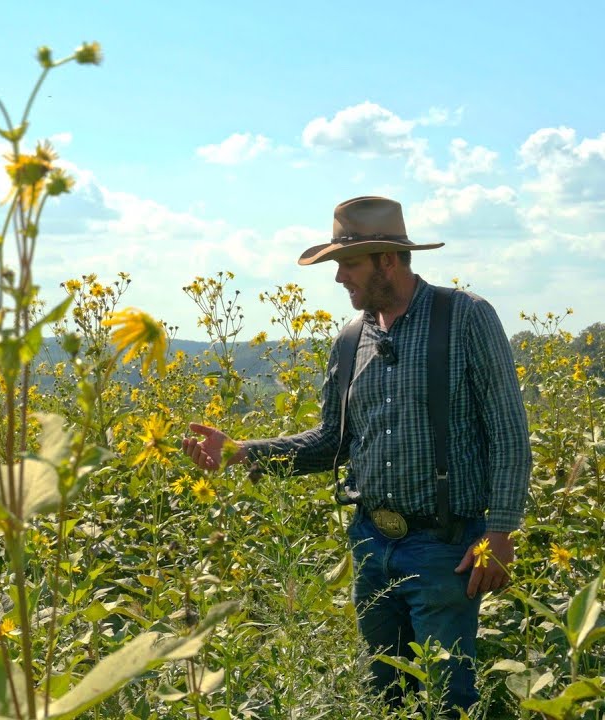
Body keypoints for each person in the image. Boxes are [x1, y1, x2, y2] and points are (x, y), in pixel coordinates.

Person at [181, 196, 531, 713]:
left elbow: (508, 430)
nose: (339, 277)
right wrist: (240, 452)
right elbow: (330, 443)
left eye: (348, 264)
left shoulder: (465, 317)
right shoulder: (351, 339)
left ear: (387, 260)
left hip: (446, 547)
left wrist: (500, 532)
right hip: (370, 542)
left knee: (447, 699)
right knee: (385, 694)